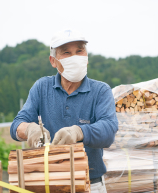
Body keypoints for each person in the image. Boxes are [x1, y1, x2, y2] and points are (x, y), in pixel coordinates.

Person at [10, 29, 118, 192]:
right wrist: (30, 130)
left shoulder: (100, 91)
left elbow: (109, 130)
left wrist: (79, 132)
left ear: (87, 57)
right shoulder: (41, 88)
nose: (75, 57)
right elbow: (16, 125)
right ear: (53, 61)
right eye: (67, 53)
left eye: (79, 51)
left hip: (90, 184)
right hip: (49, 182)